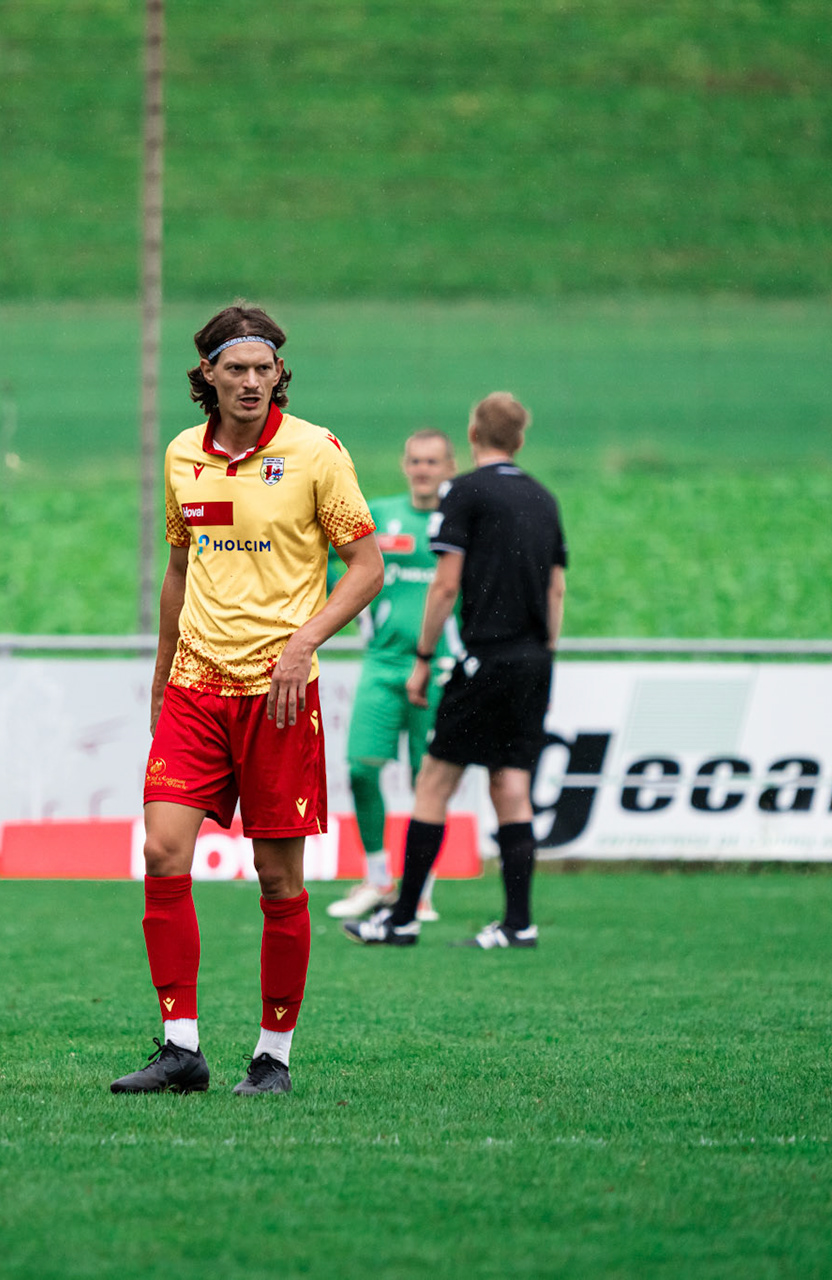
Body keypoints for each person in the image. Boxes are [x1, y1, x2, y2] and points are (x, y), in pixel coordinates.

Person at [112, 302, 383, 1096]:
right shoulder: (181, 457)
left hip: (279, 697)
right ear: (208, 377)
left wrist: (306, 643)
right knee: (163, 851)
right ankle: (180, 1047)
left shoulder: (315, 454)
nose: (253, 382)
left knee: (278, 882)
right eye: (238, 369)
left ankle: (273, 1056)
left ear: (279, 375)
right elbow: (178, 570)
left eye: (265, 369)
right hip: (196, 688)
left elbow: (364, 567)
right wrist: (163, 674)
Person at [344, 392, 565, 950]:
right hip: (535, 660)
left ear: (472, 436)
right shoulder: (544, 498)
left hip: (481, 658)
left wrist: (423, 660)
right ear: (520, 439)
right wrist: (542, 654)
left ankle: (402, 918)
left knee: (434, 784)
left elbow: (445, 584)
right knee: (511, 786)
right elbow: (556, 587)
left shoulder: (465, 492)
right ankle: (518, 924)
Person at [325, 429, 460, 923]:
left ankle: (420, 887)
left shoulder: (462, 521)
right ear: (405, 465)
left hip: (441, 670)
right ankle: (379, 877)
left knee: (430, 782)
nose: (423, 469)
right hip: (382, 666)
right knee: (361, 769)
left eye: (433, 461)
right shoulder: (379, 516)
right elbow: (335, 574)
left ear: (450, 467)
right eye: (416, 461)